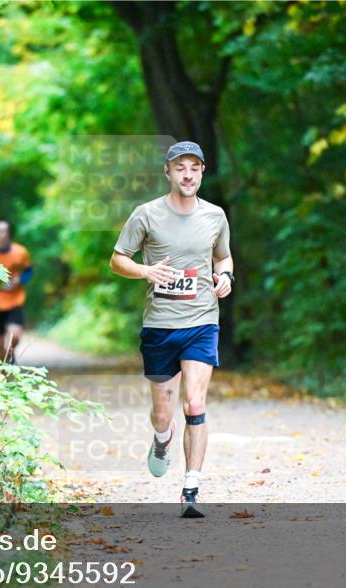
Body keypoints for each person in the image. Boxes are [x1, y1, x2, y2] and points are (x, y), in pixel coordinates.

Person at [109, 141, 233, 518]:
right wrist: (146, 271)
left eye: (195, 167)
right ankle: (162, 439)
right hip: (160, 325)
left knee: (195, 403)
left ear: (202, 172)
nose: (188, 174)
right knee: (163, 413)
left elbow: (223, 255)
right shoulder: (146, 214)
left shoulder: (215, 215)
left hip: (201, 321)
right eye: (180, 167)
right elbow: (117, 260)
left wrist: (225, 275)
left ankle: (191, 487)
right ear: (168, 172)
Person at [0, 219, 33, 364]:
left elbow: (28, 271)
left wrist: (19, 280)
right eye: (0, 231)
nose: (3, 234)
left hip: (15, 300)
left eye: (6, 231)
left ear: (9, 233)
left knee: (15, 336)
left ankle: (10, 353)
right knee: (0, 343)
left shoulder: (20, 252)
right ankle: (2, 370)